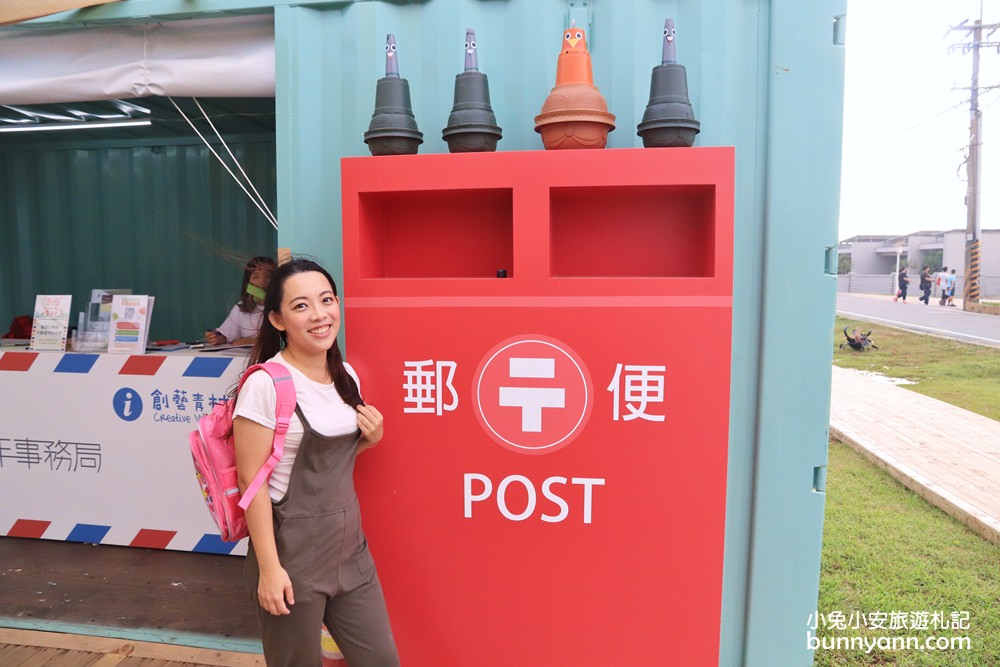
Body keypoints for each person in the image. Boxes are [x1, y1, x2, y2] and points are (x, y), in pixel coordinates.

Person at [232, 257, 399, 667]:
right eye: (301, 306)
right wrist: (270, 570)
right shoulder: (264, 383)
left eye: (326, 300)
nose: (320, 315)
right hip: (292, 559)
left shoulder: (346, 375)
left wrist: (369, 440)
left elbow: (326, 463)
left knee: (382, 660)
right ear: (277, 319)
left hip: (350, 553)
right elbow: (251, 483)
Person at [205, 256, 276, 346]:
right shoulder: (241, 307)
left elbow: (280, 339)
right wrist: (216, 338)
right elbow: (225, 334)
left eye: (268, 276)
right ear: (248, 282)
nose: (262, 282)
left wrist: (249, 341)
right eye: (255, 276)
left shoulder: (281, 307)